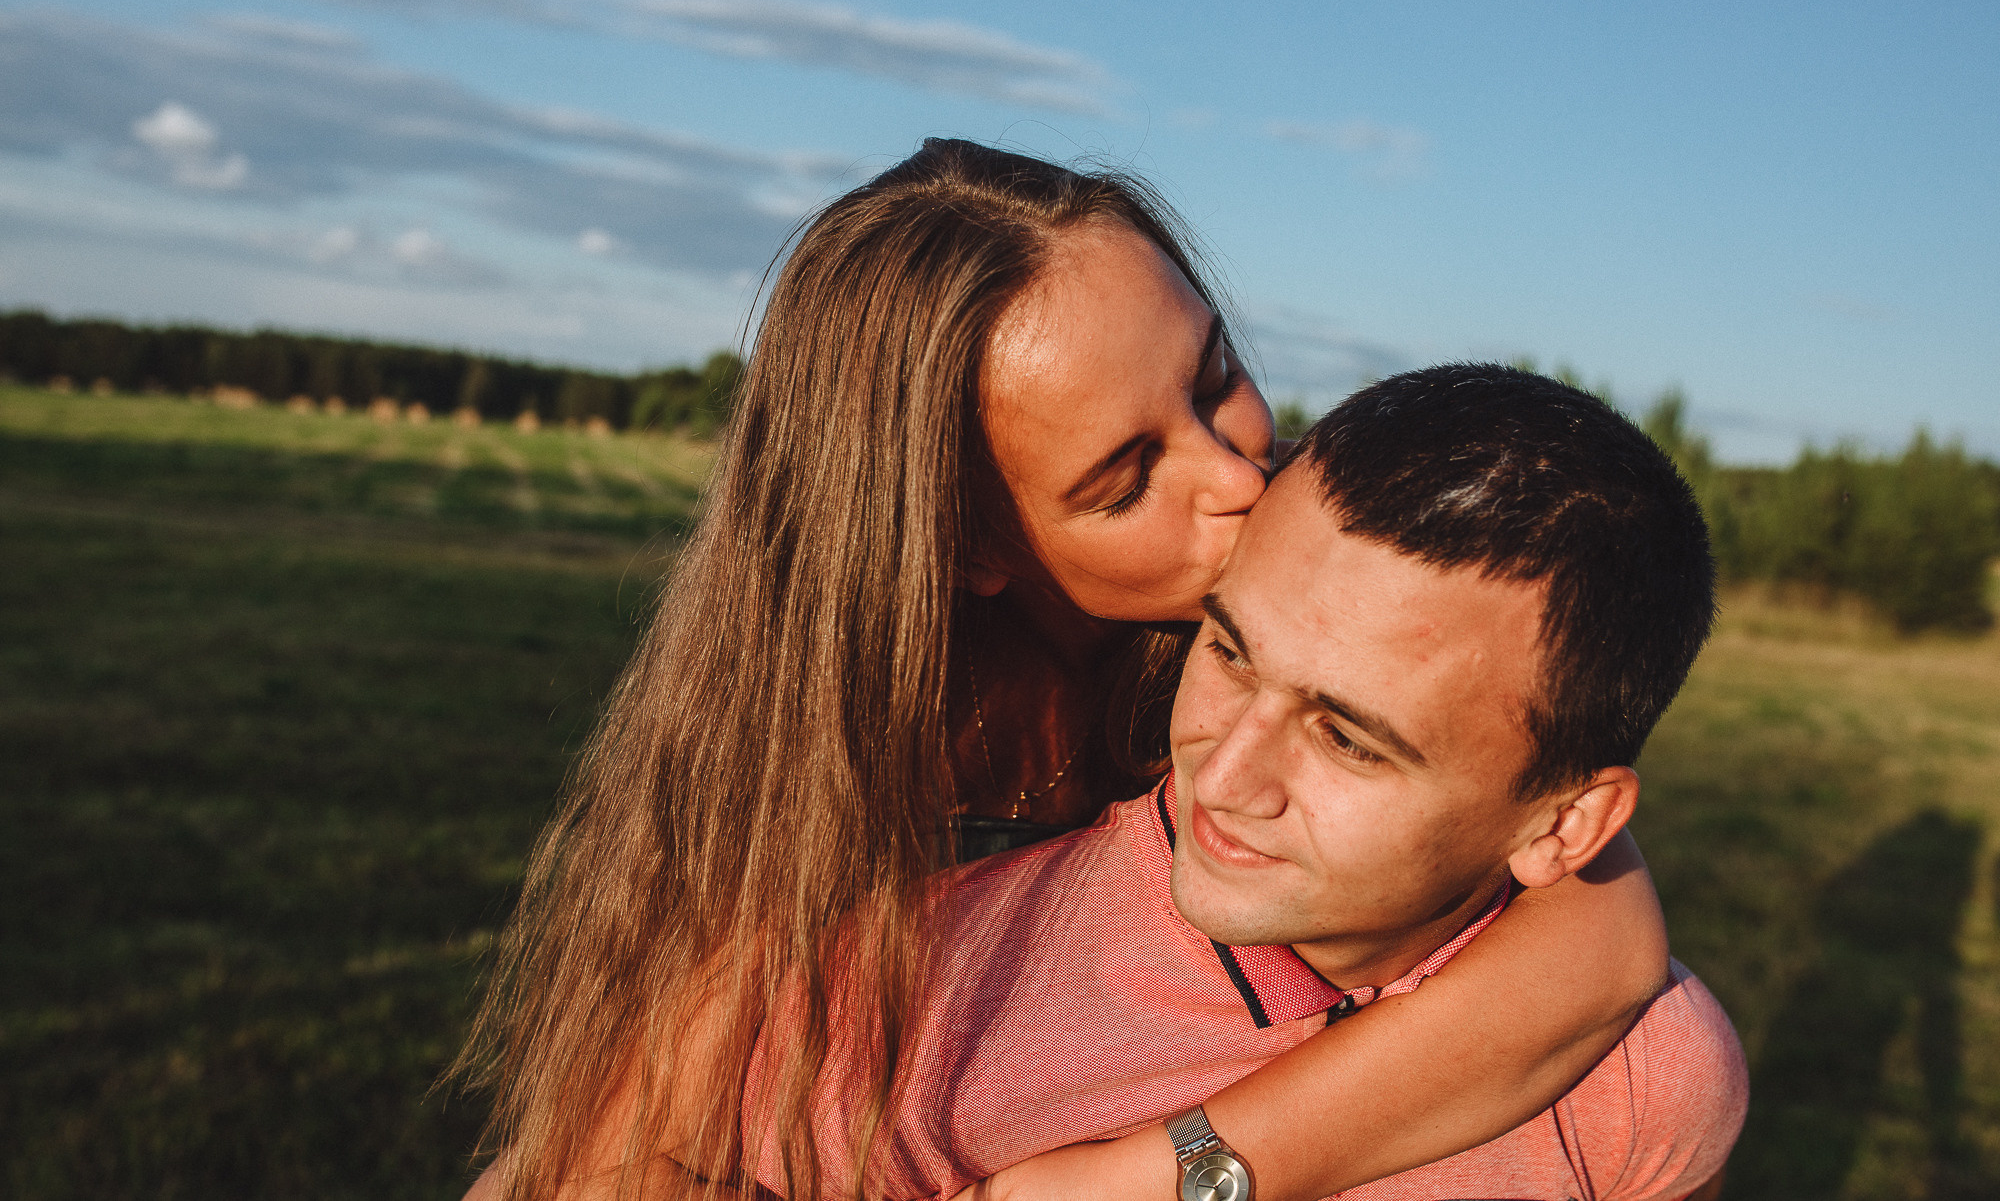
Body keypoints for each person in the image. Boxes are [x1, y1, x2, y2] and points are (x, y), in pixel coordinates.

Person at [455, 143, 1672, 1201]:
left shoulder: (1305, 539)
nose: (1239, 477)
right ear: (967, 542)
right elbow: (591, 1162)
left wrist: (1171, 1174)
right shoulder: (838, 788)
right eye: (1124, 477)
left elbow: (1601, 941)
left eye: (1211, 380)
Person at [727, 365, 1747, 1201]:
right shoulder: (929, 989)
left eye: (1346, 737)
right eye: (1228, 650)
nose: (1227, 771)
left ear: (1567, 824)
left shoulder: (1643, 1076)